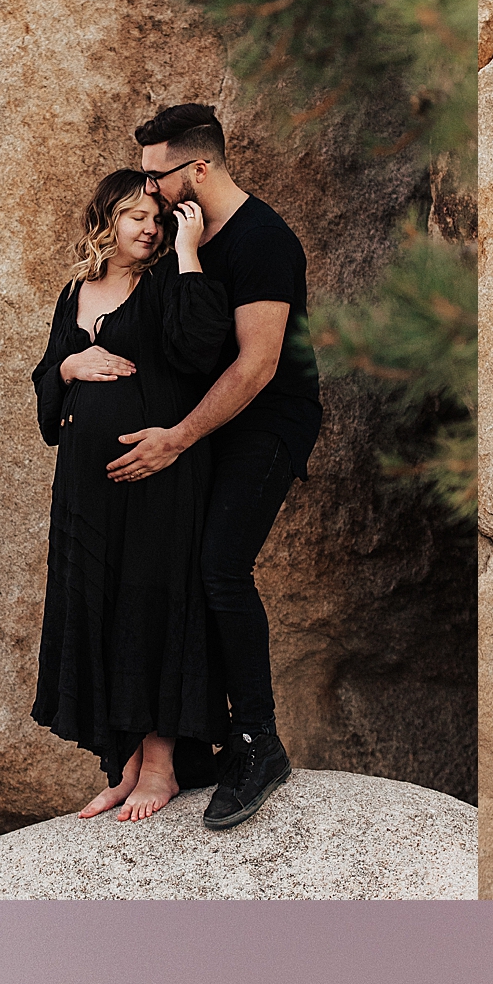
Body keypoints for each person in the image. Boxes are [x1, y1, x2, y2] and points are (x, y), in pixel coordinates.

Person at [107, 102, 323, 832]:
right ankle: (200, 740)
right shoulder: (183, 237)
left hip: (266, 424)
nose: (150, 191)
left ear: (198, 168)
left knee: (221, 569)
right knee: (176, 565)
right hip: (206, 428)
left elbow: (259, 367)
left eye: (157, 176)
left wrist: (175, 439)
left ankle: (261, 746)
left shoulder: (264, 240)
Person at [30, 170, 234, 819]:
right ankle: (122, 764)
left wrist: (189, 248)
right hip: (86, 490)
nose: (148, 227)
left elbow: (204, 347)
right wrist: (70, 365)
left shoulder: (168, 281)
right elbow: (46, 382)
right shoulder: (75, 293)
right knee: (103, 607)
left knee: (151, 606)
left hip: (156, 481)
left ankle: (162, 766)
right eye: (133, 216)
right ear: (106, 221)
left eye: (156, 216)